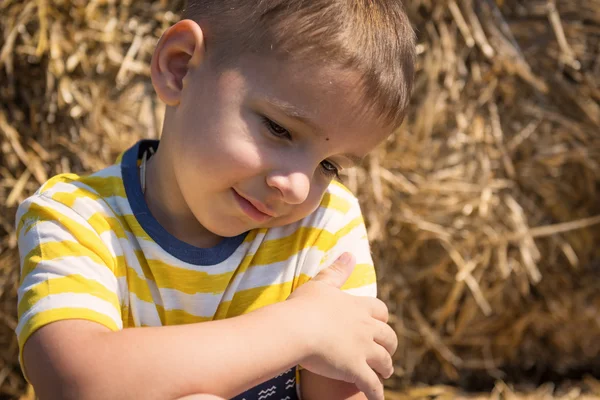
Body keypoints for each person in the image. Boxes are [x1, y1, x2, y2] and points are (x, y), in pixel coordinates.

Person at [15, 0, 416, 399]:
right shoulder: (77, 216)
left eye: (329, 166)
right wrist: (296, 330)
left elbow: (348, 386)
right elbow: (74, 383)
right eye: (279, 129)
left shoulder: (324, 226)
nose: (298, 187)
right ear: (180, 67)